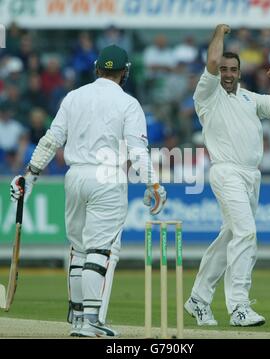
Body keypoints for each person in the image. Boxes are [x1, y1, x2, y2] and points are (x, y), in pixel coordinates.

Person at [10, 45, 167, 337]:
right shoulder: (128, 103)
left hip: (75, 177)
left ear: (97, 69)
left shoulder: (73, 97)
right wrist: (153, 184)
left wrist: (29, 175)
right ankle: (92, 320)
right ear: (125, 73)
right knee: (98, 249)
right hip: (107, 177)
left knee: (79, 249)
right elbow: (138, 151)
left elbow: (50, 140)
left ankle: (79, 315)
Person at [184, 24, 270, 327]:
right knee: (246, 233)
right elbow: (210, 62)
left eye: (233, 69)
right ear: (218, 72)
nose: (228, 73)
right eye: (224, 69)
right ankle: (239, 307)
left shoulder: (250, 98)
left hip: (251, 177)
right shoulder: (207, 95)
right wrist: (219, 31)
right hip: (226, 172)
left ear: (239, 71)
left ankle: (198, 298)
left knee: (231, 236)